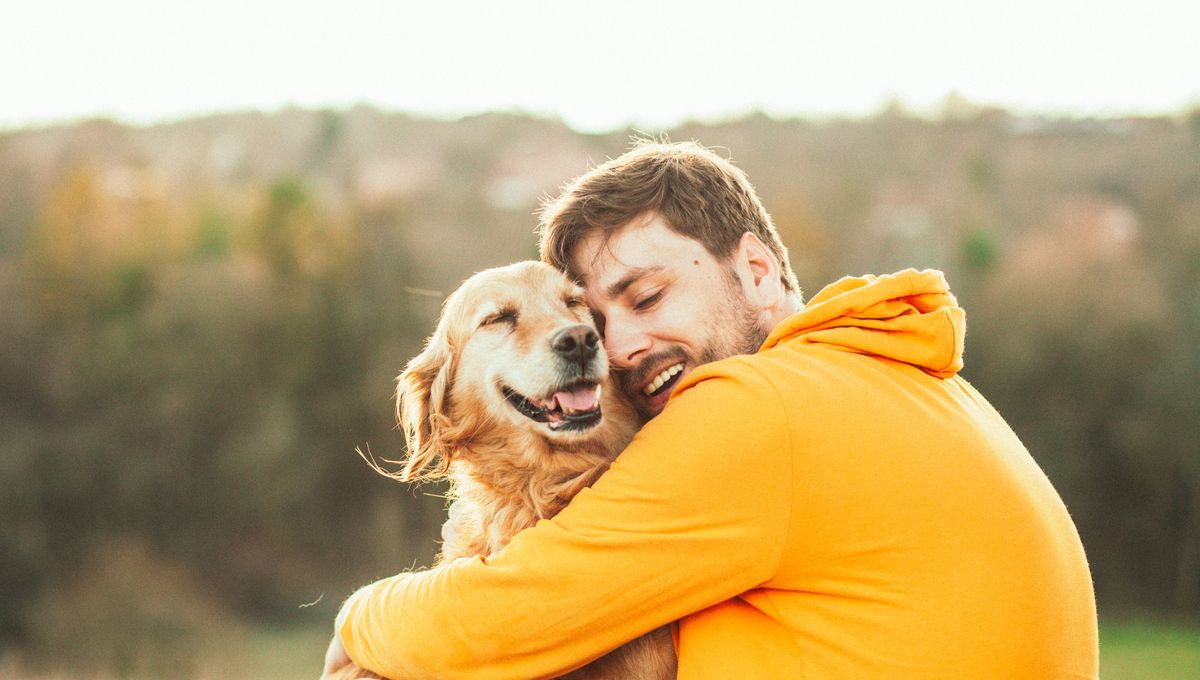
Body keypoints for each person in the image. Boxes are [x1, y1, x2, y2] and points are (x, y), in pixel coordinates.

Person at [323, 141, 1099, 679]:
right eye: (602, 316)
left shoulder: (759, 411)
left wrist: (360, 619)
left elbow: (505, 617)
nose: (614, 345)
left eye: (649, 296)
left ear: (757, 269)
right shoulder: (906, 382)